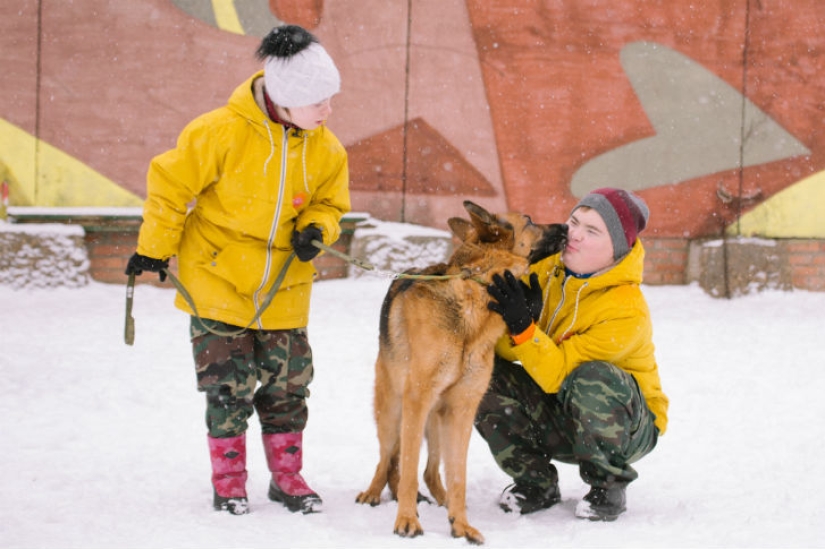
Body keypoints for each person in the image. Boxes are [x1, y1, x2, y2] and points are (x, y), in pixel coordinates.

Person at [125, 25, 350, 516]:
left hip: (285, 284)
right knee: (227, 388)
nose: (328, 110)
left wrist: (317, 228)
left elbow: (331, 204)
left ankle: (287, 478)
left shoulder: (326, 148)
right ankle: (229, 482)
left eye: (330, 99)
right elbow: (169, 186)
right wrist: (154, 248)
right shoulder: (217, 132)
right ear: (285, 99)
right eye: (318, 101)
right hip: (218, 279)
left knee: (289, 388)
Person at [477, 187, 668, 521]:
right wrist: (516, 324)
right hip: (564, 415)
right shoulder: (547, 270)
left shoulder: (626, 310)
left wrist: (525, 327)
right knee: (479, 373)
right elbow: (505, 353)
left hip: (625, 427)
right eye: (574, 221)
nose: (573, 234)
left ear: (617, 251)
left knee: (592, 377)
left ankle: (608, 486)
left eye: (591, 231)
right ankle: (535, 483)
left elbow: (560, 375)